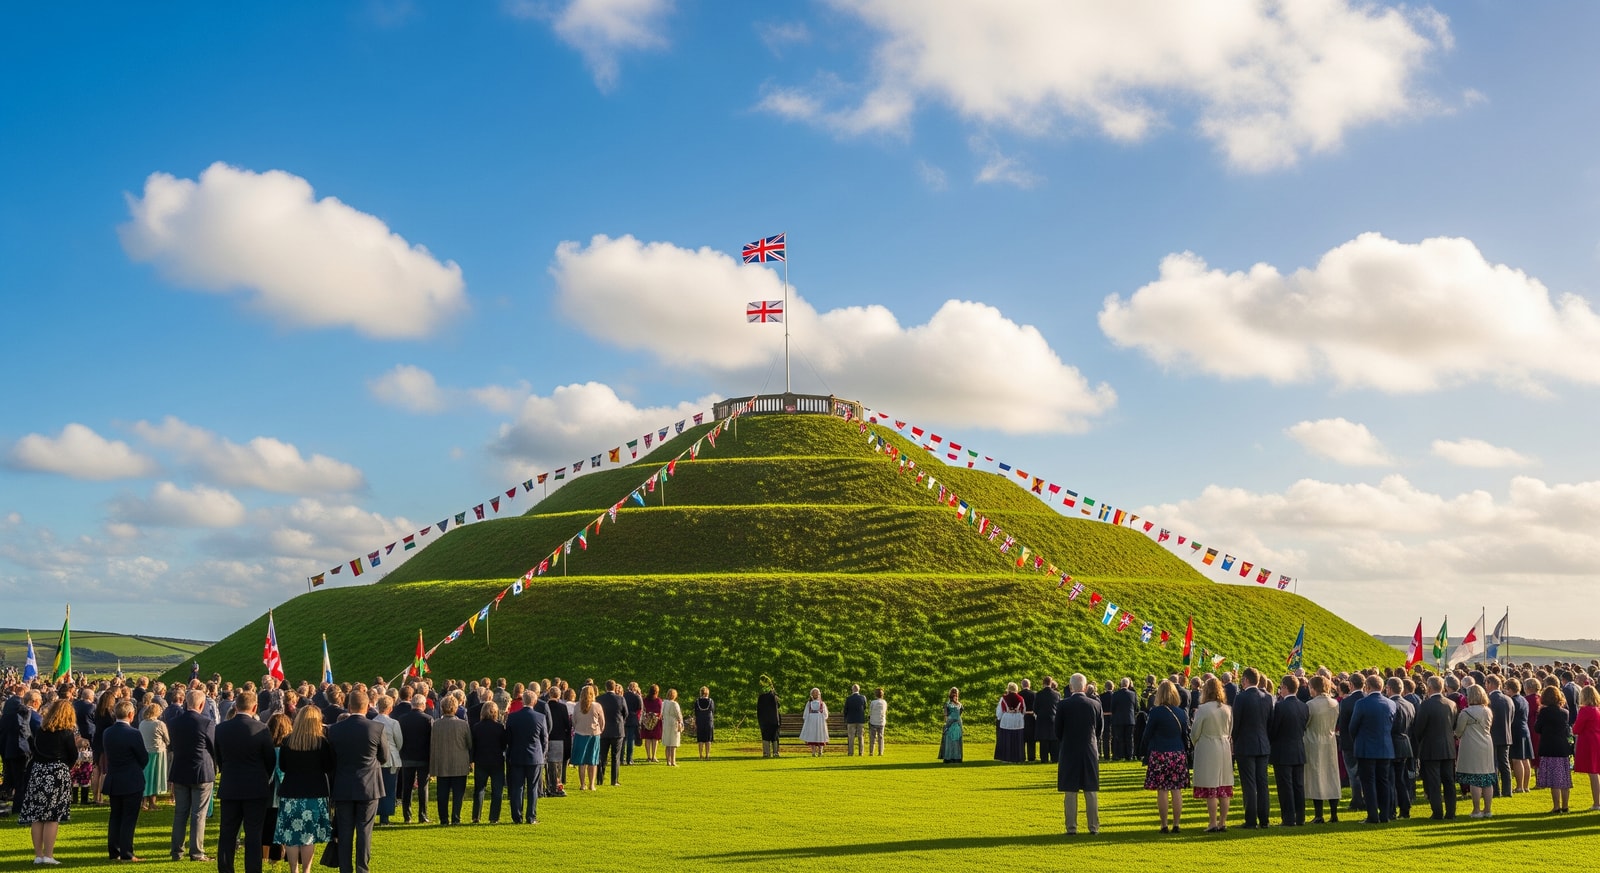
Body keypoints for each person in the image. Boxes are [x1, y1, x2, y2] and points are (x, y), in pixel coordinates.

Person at [215, 689, 278, 873]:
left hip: (231, 785)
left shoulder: (221, 729)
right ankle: (253, 869)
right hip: (255, 786)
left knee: (227, 832)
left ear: (235, 706)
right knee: (253, 833)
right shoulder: (261, 729)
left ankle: (225, 869)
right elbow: (270, 759)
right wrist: (262, 776)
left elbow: (219, 757)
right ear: (255, 707)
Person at [326, 689, 385, 873]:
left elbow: (331, 759)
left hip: (343, 785)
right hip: (369, 786)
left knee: (344, 832)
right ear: (367, 707)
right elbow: (384, 757)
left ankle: (345, 869)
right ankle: (362, 869)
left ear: (349, 706)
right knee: (364, 832)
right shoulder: (376, 728)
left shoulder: (334, 730)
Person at [275, 706, 334, 873]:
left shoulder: (288, 740)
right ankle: (306, 870)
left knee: (291, 836)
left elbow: (283, 767)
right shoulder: (321, 742)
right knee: (308, 836)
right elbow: (329, 766)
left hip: (291, 792)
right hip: (314, 794)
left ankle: (294, 869)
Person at [19, 698, 77, 865]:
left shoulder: (41, 730)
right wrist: (66, 766)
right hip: (57, 773)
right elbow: (72, 755)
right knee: (52, 816)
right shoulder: (66, 733)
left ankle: (38, 854)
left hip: (38, 771)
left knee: (38, 816)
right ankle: (49, 855)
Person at [167, 689, 216, 862]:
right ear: (202, 705)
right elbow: (213, 747)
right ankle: (196, 852)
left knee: (180, 812)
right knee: (198, 814)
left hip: (180, 770)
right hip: (201, 771)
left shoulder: (173, 722)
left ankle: (176, 851)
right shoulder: (206, 723)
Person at [1055, 673, 1102, 835]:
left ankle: (1071, 827)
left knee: (1070, 791)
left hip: (1069, 750)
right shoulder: (1095, 704)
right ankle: (1093, 827)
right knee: (1090, 790)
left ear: (1070, 687)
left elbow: (1058, 731)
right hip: (1089, 749)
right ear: (1085, 686)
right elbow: (1099, 730)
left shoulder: (1062, 705)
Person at [103, 700, 150, 862]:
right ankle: (127, 853)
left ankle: (114, 851)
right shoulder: (133, 733)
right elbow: (143, 758)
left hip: (114, 778)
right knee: (129, 818)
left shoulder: (107, 732)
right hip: (131, 779)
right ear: (131, 715)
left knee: (115, 816)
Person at [1347, 674, 1397, 824]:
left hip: (1366, 748)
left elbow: (1352, 727)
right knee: (1384, 782)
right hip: (1385, 747)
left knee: (1368, 783)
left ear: (1367, 687)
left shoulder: (1362, 704)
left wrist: (1357, 739)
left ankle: (1372, 815)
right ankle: (1385, 814)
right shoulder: (1391, 704)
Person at [1141, 680, 1189, 832]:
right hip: (1177, 753)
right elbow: (1185, 735)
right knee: (1176, 790)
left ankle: (1164, 824)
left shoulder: (1155, 712)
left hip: (1160, 753)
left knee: (1162, 790)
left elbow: (1147, 734)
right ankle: (1176, 824)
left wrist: (1142, 751)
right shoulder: (1181, 713)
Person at [1232, 667, 1274, 828]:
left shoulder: (1241, 698)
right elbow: (1271, 722)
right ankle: (1264, 819)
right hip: (1262, 744)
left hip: (1245, 744)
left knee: (1249, 783)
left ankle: (1250, 820)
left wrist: (1235, 740)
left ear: (1246, 680)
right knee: (1262, 783)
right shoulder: (1267, 697)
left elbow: (1236, 723)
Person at [1191, 676, 1234, 832]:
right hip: (1224, 746)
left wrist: (1196, 742)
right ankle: (1223, 822)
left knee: (1211, 787)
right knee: (1223, 787)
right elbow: (1230, 730)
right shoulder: (1227, 709)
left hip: (1208, 746)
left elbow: (1195, 731)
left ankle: (1212, 822)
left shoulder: (1203, 709)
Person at [1267, 674, 1308, 827]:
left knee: (1285, 786)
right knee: (1298, 785)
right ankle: (1300, 816)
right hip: (1298, 749)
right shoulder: (1304, 706)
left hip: (1282, 750)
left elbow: (1274, 728)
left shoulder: (1280, 706)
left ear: (1284, 687)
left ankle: (1289, 818)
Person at [1455, 684, 1497, 818]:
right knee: (1487, 777)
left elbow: (1459, 731)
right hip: (1487, 744)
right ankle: (1488, 809)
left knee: (1475, 779)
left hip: (1472, 745)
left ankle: (1476, 810)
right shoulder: (1488, 711)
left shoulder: (1466, 712)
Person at [504, 690, 548, 821]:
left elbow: (508, 738)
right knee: (533, 788)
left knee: (517, 787)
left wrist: (510, 752)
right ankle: (531, 816)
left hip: (517, 756)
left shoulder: (512, 717)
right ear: (534, 701)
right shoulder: (540, 717)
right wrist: (542, 754)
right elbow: (544, 739)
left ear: (523, 701)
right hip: (535, 757)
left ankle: (517, 816)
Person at [1303, 675, 1341, 823]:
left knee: (1316, 776)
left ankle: (1319, 814)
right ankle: (1334, 813)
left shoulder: (1310, 705)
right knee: (1331, 775)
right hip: (1330, 740)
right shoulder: (1335, 703)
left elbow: (1306, 723)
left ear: (1314, 688)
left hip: (1314, 741)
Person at [429, 695, 471, 825]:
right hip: (459, 762)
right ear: (456, 708)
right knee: (458, 793)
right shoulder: (463, 724)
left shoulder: (436, 724)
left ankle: (444, 819)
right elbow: (469, 743)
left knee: (442, 792)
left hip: (442, 762)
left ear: (442, 708)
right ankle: (456, 818)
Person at [395, 687, 433, 824]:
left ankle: (407, 816)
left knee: (407, 787)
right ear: (422, 705)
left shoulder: (402, 719)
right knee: (423, 787)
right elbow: (431, 740)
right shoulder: (428, 719)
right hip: (423, 757)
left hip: (406, 756)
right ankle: (422, 815)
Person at [1534, 685, 1574, 813]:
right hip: (1562, 747)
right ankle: (1565, 806)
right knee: (1564, 779)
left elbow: (1537, 728)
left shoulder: (1544, 712)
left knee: (1554, 780)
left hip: (1549, 747)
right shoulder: (1565, 713)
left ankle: (1556, 806)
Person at [469, 700, 506, 824]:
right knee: (497, 791)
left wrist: (472, 760)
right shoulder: (499, 727)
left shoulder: (476, 727)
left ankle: (476, 816)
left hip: (481, 760)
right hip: (496, 761)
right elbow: (503, 745)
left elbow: (473, 745)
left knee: (479, 789)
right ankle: (494, 817)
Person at [1385, 677, 1417, 820]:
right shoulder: (1409, 704)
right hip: (1405, 742)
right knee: (1401, 779)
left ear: (1390, 689)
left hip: (1393, 743)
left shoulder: (1391, 704)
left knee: (1391, 779)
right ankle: (1405, 808)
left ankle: (1391, 809)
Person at [369, 695, 401, 826]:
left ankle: (376, 815)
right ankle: (385, 817)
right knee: (389, 788)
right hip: (391, 758)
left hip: (375, 759)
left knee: (376, 788)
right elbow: (399, 742)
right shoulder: (393, 723)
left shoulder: (372, 721)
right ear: (390, 708)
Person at [570, 686, 604, 791]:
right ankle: (592, 784)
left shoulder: (577, 706)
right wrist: (600, 730)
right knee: (592, 760)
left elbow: (573, 721)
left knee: (582, 761)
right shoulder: (597, 706)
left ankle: (582, 784)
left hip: (580, 734)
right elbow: (602, 722)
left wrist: (578, 728)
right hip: (593, 734)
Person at [137, 702, 169, 812]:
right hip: (157, 752)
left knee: (146, 776)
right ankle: (152, 803)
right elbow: (167, 739)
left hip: (145, 751)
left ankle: (144, 802)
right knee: (155, 777)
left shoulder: (142, 724)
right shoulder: (159, 724)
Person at [1573, 685, 1600, 811]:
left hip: (1589, 741)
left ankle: (1596, 803)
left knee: (1593, 772)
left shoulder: (1585, 710)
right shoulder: (1597, 709)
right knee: (1596, 771)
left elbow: (1577, 728)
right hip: (1596, 739)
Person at [1506, 677, 1534, 794]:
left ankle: (1519, 787)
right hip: (1524, 729)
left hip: (1516, 730)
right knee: (1525, 759)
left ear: (1509, 689)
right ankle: (1526, 786)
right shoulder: (1524, 699)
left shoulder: (1513, 701)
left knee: (1517, 760)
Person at [596, 681, 627, 784]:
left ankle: (600, 779)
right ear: (615, 687)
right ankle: (614, 780)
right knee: (615, 757)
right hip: (617, 730)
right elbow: (625, 713)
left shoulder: (600, 699)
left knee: (602, 756)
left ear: (606, 687)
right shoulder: (620, 699)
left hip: (603, 730)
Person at [543, 687, 571, 793]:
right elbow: (567, 724)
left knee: (547, 763)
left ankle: (549, 784)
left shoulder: (545, 706)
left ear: (549, 695)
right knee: (557, 764)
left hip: (547, 737)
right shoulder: (563, 707)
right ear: (559, 695)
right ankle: (557, 785)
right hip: (559, 738)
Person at [994, 682, 1025, 763]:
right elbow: (1023, 710)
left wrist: (999, 717)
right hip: (1017, 719)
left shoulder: (1004, 698)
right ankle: (1018, 757)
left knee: (1006, 738)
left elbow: (999, 710)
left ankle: (1006, 757)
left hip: (1007, 718)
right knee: (1017, 738)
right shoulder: (1021, 698)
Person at [1109, 678, 1138, 762]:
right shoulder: (1133, 694)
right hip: (1130, 719)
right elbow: (1136, 707)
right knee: (1129, 738)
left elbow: (1112, 707)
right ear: (1128, 684)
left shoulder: (1115, 694)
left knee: (1119, 738)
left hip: (1118, 719)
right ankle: (1129, 755)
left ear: (1120, 684)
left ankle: (1119, 754)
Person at [799, 688, 830, 756]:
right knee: (812, 735)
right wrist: (807, 720)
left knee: (820, 735)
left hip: (820, 721)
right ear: (812, 694)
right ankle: (813, 752)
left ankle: (820, 751)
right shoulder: (809, 703)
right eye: (814, 693)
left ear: (819, 694)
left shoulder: (822, 703)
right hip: (811, 721)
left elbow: (825, 713)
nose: (816, 694)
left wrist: (823, 718)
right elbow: (806, 713)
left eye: (817, 693)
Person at [755, 681, 780, 759]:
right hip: (774, 720)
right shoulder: (774, 696)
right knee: (775, 736)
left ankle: (766, 753)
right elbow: (778, 705)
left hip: (764, 720)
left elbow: (759, 709)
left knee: (765, 736)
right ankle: (775, 752)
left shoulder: (761, 697)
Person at [639, 685, 663, 763]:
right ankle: (654, 756)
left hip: (646, 721)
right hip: (655, 721)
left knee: (648, 739)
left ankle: (648, 756)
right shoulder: (658, 700)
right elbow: (660, 711)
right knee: (654, 739)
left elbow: (643, 710)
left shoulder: (645, 700)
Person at [660, 689, 684, 767]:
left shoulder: (664, 703)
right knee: (673, 744)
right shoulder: (675, 704)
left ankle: (668, 761)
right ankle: (673, 761)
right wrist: (681, 722)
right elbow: (678, 714)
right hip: (673, 723)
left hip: (666, 723)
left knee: (667, 744)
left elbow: (662, 713)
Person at [939, 688, 963, 764]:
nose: (954, 694)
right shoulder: (947, 704)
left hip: (958, 724)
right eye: (953, 692)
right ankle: (948, 758)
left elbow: (959, 714)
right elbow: (945, 715)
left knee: (956, 741)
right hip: (950, 724)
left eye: (955, 692)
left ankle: (956, 758)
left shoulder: (959, 704)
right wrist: (946, 724)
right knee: (949, 741)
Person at [843, 684, 868, 756]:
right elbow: (865, 707)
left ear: (852, 690)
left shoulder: (848, 698)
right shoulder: (863, 698)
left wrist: (845, 719)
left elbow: (845, 710)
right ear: (859, 689)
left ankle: (851, 753)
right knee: (860, 737)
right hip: (860, 720)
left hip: (851, 720)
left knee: (851, 737)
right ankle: (861, 752)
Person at [622, 681, 643, 767]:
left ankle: (621, 758)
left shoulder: (623, 696)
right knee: (630, 740)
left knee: (623, 739)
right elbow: (639, 707)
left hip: (624, 719)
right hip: (633, 718)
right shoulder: (637, 697)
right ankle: (629, 759)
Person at [693, 687, 716, 761]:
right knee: (708, 739)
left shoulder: (697, 701)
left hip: (700, 720)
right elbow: (712, 710)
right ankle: (707, 755)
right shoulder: (710, 701)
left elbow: (696, 712)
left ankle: (700, 755)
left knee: (700, 739)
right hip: (708, 720)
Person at [868, 687, 889, 757]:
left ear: (875, 695)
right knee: (881, 737)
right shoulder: (884, 702)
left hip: (873, 721)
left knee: (872, 738)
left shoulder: (873, 702)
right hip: (881, 722)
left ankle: (871, 752)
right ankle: (880, 752)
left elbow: (870, 712)